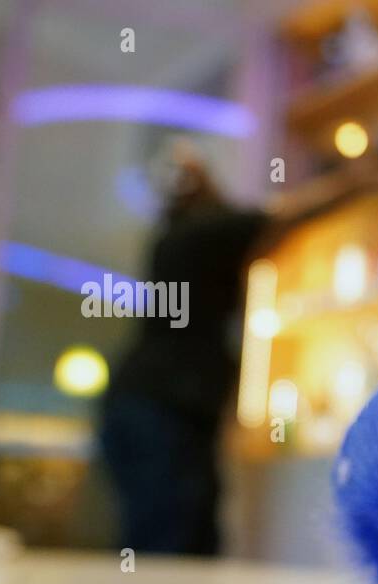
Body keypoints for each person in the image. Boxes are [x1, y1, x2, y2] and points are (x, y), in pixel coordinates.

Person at [99, 142, 267, 556]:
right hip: (164, 408)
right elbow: (279, 219)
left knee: (155, 536)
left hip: (137, 403)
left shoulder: (170, 240)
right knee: (177, 537)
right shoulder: (204, 231)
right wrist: (360, 182)